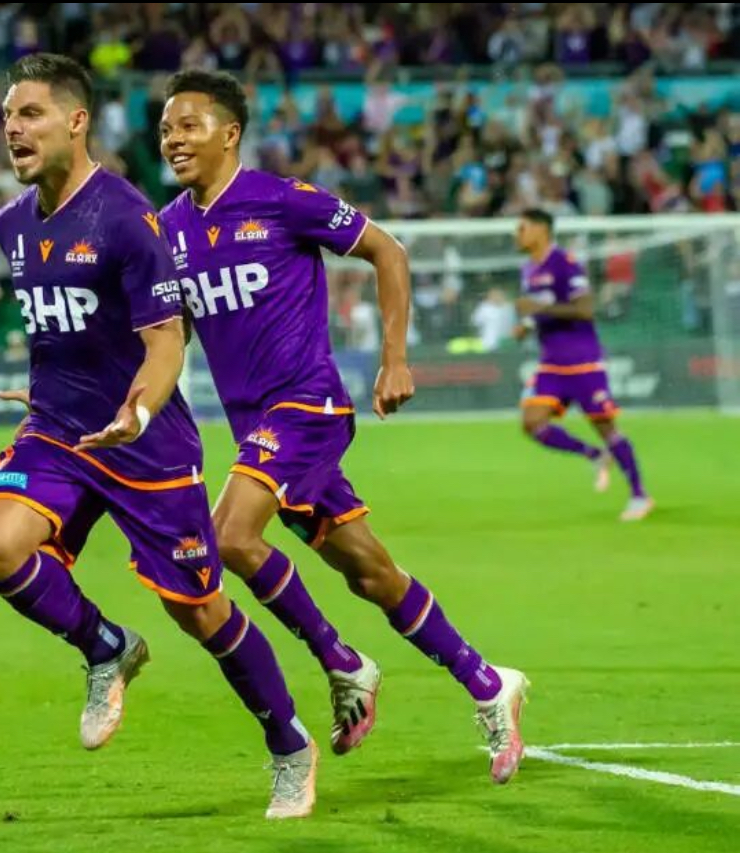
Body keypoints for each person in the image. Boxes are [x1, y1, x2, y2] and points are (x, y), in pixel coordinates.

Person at [0, 54, 318, 819]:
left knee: (200, 611)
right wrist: (52, 389)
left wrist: (136, 412)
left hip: (144, 443)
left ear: (76, 121)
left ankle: (290, 743)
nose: (14, 129)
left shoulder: (127, 217)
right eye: (8, 116)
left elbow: (165, 341)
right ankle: (105, 646)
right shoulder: (10, 223)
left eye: (30, 114)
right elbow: (65, 333)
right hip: (58, 432)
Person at [155, 70, 529, 785]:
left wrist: (395, 358)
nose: (173, 139)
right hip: (258, 432)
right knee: (371, 572)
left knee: (229, 535)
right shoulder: (168, 230)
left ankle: (341, 660)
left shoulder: (283, 200)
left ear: (230, 134)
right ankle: (489, 683)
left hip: (309, 407)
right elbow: (169, 337)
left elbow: (388, 250)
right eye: (166, 128)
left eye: (189, 125)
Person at [514, 209, 652, 521]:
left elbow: (585, 309)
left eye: (522, 228)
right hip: (551, 363)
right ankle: (594, 455)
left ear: (541, 230)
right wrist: (528, 324)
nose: (517, 235)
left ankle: (639, 496)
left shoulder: (566, 263)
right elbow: (544, 311)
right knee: (532, 423)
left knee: (606, 427)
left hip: (583, 361)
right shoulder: (528, 269)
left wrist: (538, 308)